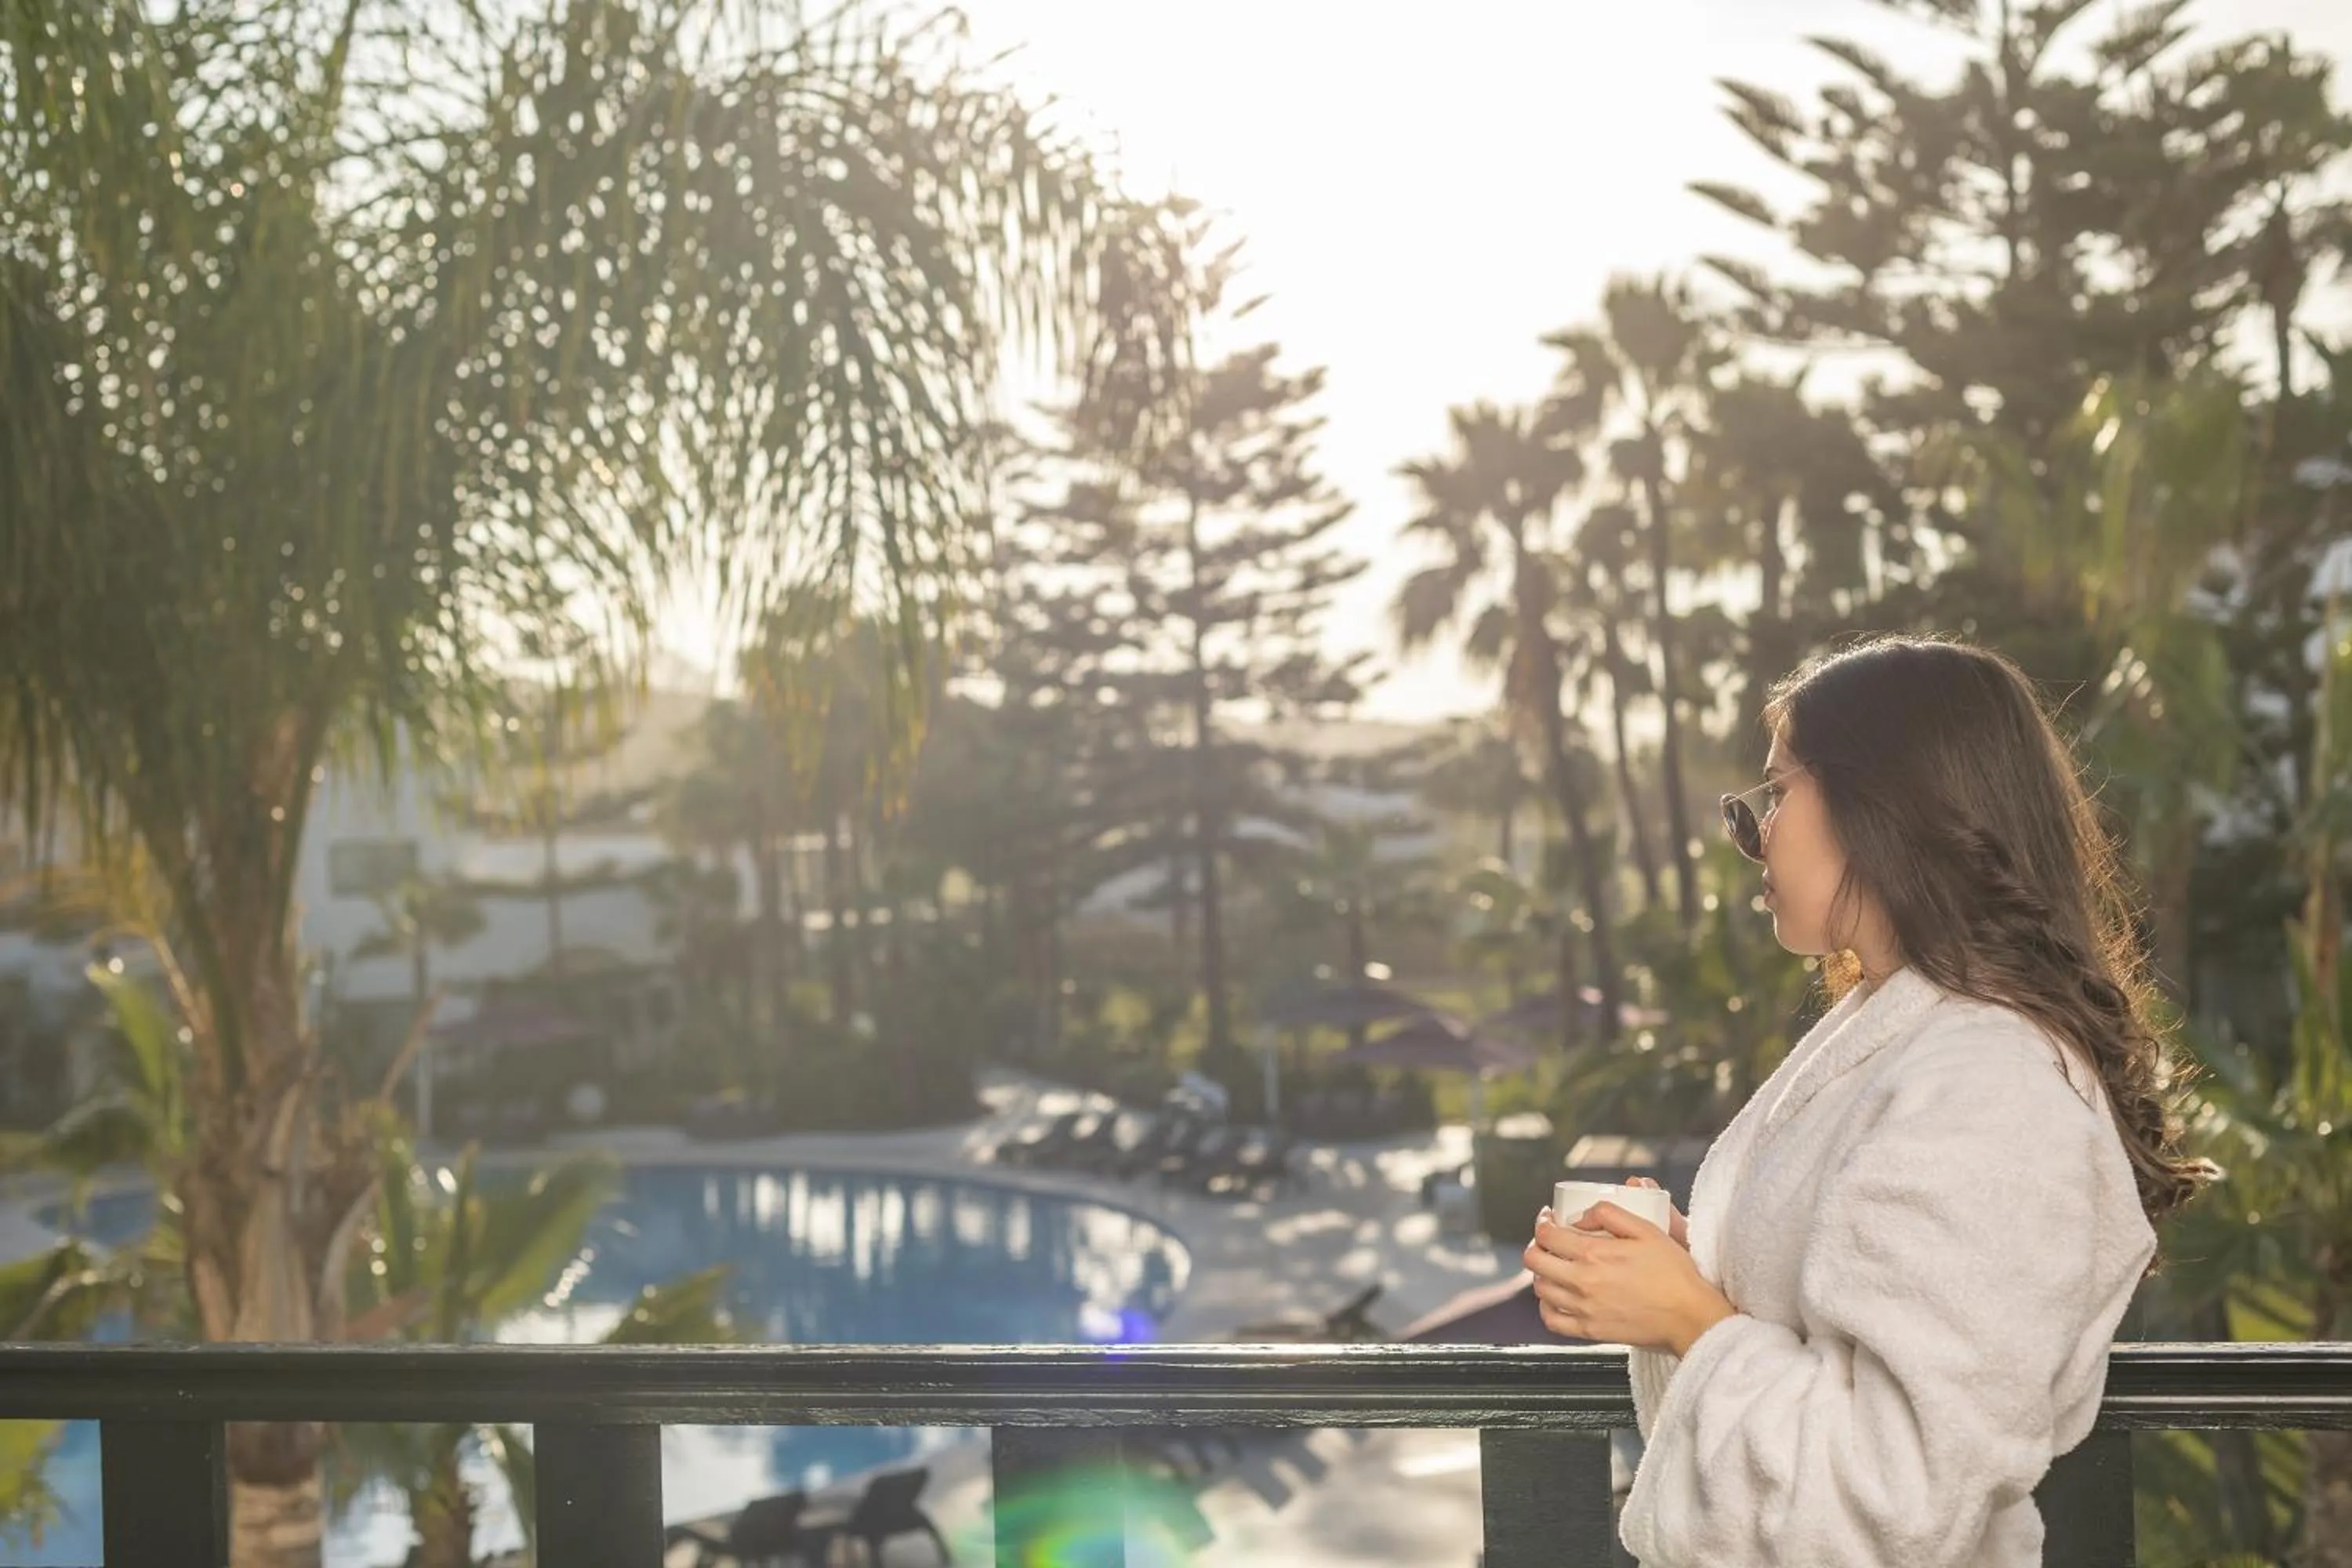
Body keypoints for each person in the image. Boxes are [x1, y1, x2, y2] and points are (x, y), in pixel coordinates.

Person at [1520, 636, 2213, 1567]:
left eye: (1778, 790)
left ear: (1882, 800)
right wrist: (1687, 1277)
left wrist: (1690, 1318)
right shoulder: (1903, 1035)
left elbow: (1900, 1500)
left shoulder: (1991, 1083)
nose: (1756, 833)